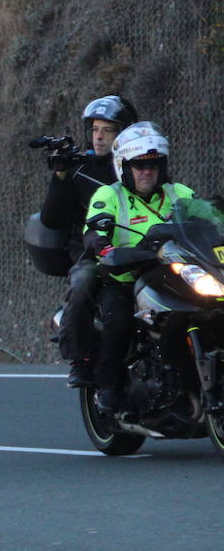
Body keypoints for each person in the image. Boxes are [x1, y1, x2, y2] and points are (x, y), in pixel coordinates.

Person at [84, 122, 195, 410]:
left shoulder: (178, 192)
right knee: (119, 322)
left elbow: (206, 220)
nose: (148, 171)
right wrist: (103, 246)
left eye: (154, 165)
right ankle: (108, 389)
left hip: (175, 276)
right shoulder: (110, 195)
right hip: (124, 279)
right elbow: (93, 231)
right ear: (124, 167)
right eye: (139, 166)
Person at [41, 95, 138, 387]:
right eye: (95, 129)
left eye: (107, 130)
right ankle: (80, 360)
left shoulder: (142, 164)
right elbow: (52, 219)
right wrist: (59, 175)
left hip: (142, 248)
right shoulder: (78, 168)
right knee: (82, 284)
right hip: (92, 252)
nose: (98, 136)